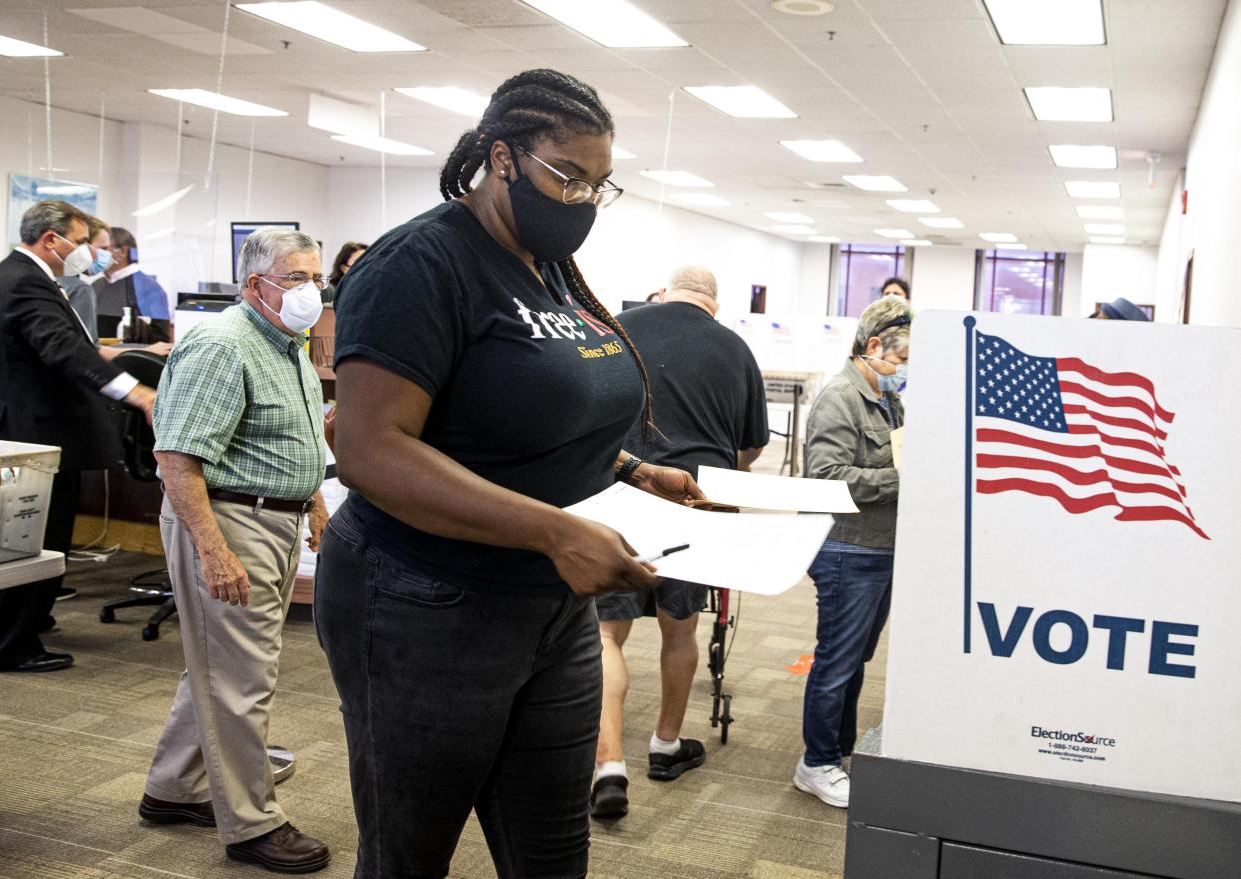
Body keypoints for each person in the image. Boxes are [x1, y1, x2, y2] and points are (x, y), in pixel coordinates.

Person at [315, 68, 704, 878]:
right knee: (407, 854)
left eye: (601, 185)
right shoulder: (419, 265)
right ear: (501, 157)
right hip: (422, 599)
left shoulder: (547, 266)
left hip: (547, 606)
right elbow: (369, 449)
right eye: (568, 177)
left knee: (552, 854)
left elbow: (527, 413)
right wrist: (554, 528)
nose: (584, 201)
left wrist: (635, 470)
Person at [140, 227, 331, 874]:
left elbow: (294, 436)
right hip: (226, 519)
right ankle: (253, 822)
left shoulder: (286, 342)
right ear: (256, 284)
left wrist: (315, 502)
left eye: (317, 278)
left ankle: (172, 786)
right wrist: (214, 551)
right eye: (297, 278)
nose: (312, 291)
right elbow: (177, 457)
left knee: (218, 666)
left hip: (272, 517)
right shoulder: (222, 344)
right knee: (244, 676)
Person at [590, 265, 769, 819]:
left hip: (618, 491)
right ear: (713, 305)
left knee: (606, 633)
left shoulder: (613, 328)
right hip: (694, 499)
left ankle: (608, 764)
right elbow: (750, 450)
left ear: (664, 293)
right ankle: (666, 744)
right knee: (680, 627)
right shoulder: (735, 348)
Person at [0, 200, 157, 672]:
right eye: (84, 241)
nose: (89, 252)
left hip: (27, 430)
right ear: (52, 240)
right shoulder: (27, 282)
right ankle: (15, 643)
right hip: (39, 433)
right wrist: (138, 394)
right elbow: (65, 350)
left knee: (24, 539)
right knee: (38, 538)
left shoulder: (13, 274)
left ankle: (25, 625)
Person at [795, 294, 912, 810]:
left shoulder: (889, 400)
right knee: (836, 661)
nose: (904, 372)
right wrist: (900, 477)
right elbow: (825, 478)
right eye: (902, 361)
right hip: (848, 549)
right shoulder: (839, 398)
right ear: (874, 347)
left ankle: (837, 752)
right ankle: (815, 763)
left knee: (856, 659)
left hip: (881, 549)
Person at [92, 226, 171, 341]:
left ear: (123, 252)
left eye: (103, 249)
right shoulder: (95, 286)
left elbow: (160, 339)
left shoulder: (149, 288)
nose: (94, 255)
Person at [58, 214, 112, 343]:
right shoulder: (79, 290)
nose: (106, 255)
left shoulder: (41, 278)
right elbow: (86, 347)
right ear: (83, 246)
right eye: (103, 249)